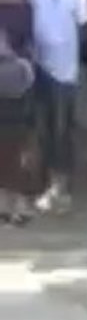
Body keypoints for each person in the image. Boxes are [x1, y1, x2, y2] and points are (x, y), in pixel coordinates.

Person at [29, 0, 87, 213]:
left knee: (62, 127)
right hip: (41, 63)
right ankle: (48, 183)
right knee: (44, 126)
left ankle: (63, 186)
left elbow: (82, 23)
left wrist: (77, 59)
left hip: (65, 66)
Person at [0, 27, 36, 225]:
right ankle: (17, 208)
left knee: (7, 166)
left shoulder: (21, 67)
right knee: (17, 165)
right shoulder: (22, 67)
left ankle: (10, 207)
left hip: (10, 123)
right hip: (18, 122)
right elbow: (29, 89)